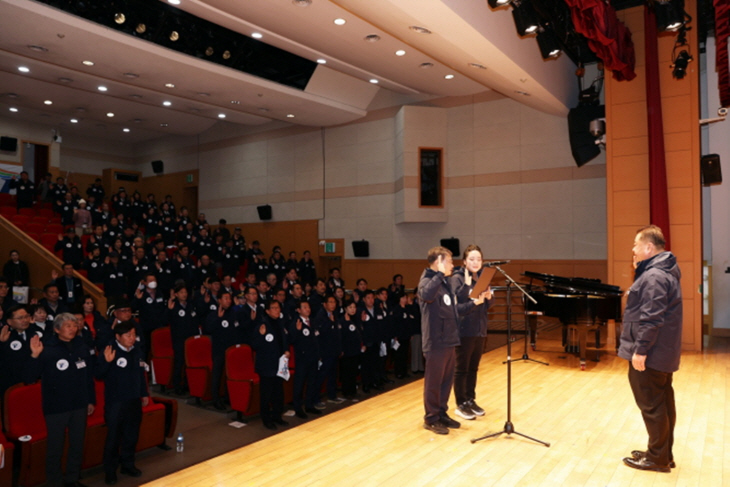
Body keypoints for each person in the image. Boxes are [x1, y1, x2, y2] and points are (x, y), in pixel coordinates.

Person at [618, 225, 682, 473]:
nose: (632, 249)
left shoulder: (654, 276)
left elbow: (651, 318)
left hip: (652, 353)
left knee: (653, 406)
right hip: (663, 352)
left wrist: (641, 350)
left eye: (635, 245)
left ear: (648, 247)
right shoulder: (660, 273)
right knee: (663, 403)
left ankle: (657, 459)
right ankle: (663, 453)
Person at [417, 246, 488, 435]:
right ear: (438, 262)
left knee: (446, 381)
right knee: (433, 382)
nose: (452, 264)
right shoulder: (427, 281)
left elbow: (454, 310)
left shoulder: (445, 283)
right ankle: (431, 418)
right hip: (435, 341)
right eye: (448, 261)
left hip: (449, 340)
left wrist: (474, 303)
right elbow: (426, 295)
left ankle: (441, 413)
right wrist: (439, 274)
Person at [24, 313, 96, 487]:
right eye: (68, 326)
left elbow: (88, 377)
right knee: (55, 448)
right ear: (57, 329)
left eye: (74, 325)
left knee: (77, 445)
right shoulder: (47, 348)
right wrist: (34, 356)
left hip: (79, 403)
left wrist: (90, 400)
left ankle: (72, 478)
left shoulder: (81, 346)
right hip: (56, 406)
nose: (73, 328)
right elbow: (29, 378)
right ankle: (54, 482)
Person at [97, 320, 149, 484]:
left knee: (131, 435)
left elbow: (141, 374)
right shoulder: (109, 350)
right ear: (118, 337)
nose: (132, 338)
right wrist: (107, 362)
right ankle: (110, 471)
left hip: (133, 400)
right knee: (113, 438)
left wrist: (144, 394)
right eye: (128, 335)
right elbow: (98, 375)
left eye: (134, 334)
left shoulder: (137, 350)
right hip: (116, 403)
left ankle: (128, 464)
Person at [450, 244, 493, 421]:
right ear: (465, 261)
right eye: (472, 259)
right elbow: (456, 308)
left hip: (479, 329)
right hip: (463, 330)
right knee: (461, 369)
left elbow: (486, 306)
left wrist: (488, 299)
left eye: (479, 259)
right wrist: (471, 295)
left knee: (473, 368)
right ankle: (461, 403)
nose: (476, 262)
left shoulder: (481, 278)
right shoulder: (457, 278)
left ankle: (470, 399)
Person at [251, 300, 290, 430]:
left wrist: (286, 350)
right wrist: (261, 336)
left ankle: (277, 416)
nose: (277, 310)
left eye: (278, 308)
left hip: (280, 364)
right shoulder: (262, 325)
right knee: (266, 394)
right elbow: (254, 345)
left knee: (279, 393)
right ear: (267, 311)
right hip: (267, 365)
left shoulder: (280, 323)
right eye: (273, 308)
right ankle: (266, 419)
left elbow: (283, 340)